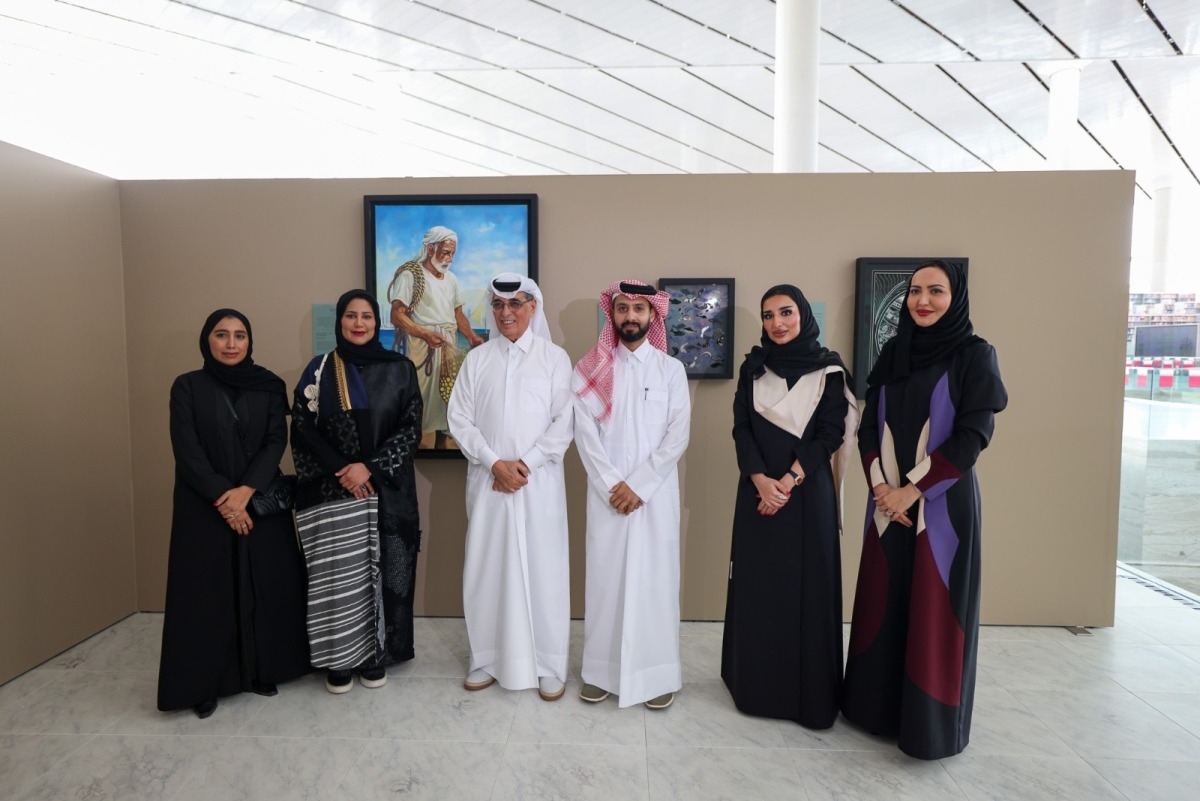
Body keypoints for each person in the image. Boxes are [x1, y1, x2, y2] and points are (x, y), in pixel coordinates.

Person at [841, 260, 1007, 760]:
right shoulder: (894, 351)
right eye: (915, 291)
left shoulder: (975, 355)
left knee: (934, 607)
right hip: (885, 505)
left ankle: (928, 728)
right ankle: (874, 712)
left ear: (956, 298)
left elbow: (973, 435)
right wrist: (881, 488)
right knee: (883, 601)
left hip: (941, 507)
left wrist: (911, 492)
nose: (922, 300)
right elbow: (868, 429)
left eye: (936, 291)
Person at [158, 309, 310, 718]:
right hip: (203, 505)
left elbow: (276, 440)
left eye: (239, 335)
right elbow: (187, 450)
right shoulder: (187, 386)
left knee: (264, 588)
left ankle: (264, 669)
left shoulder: (269, 385)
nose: (231, 343)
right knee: (208, 595)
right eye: (221, 334)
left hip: (257, 501)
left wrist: (245, 492)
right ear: (207, 340)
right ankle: (205, 684)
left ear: (249, 341)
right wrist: (224, 499)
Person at [720, 286, 858, 729]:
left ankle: (808, 697)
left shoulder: (829, 370)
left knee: (809, 590)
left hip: (807, 495)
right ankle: (756, 688)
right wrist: (761, 480)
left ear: (803, 316)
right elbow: (742, 429)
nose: (777, 323)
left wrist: (789, 480)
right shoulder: (753, 369)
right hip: (757, 493)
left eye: (786, 312)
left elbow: (830, 434)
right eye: (768, 315)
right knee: (760, 589)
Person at [447, 273, 573, 701]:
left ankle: (548, 664)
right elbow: (459, 419)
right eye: (499, 305)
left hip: (538, 484)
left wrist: (524, 465)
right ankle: (485, 658)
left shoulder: (555, 359)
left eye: (515, 304)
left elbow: (564, 422)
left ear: (533, 307)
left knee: (544, 570)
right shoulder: (477, 360)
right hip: (488, 483)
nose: (506, 313)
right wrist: (494, 463)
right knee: (487, 569)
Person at [291, 289, 423, 694]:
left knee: (389, 575)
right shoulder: (320, 370)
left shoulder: (401, 368)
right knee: (339, 578)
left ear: (377, 321)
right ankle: (339, 658)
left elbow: (410, 427)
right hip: (336, 493)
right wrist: (342, 470)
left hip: (388, 492)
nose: (359, 323)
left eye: (367, 316)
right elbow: (302, 427)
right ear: (340, 321)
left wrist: (370, 468)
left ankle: (377, 655)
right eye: (351, 316)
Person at [572, 279, 691, 710]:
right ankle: (600, 672)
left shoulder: (670, 370)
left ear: (652, 315)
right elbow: (584, 436)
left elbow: (677, 436)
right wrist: (613, 485)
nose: (630, 316)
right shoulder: (589, 370)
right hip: (608, 498)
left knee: (655, 584)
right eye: (623, 308)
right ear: (613, 314)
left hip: (654, 497)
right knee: (606, 582)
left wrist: (638, 486)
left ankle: (655, 675)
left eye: (639, 309)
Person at [387, 226, 485, 449]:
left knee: (448, 401)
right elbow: (397, 314)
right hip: (422, 347)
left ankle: (442, 449)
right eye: (446, 252)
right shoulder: (410, 275)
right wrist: (425, 334)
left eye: (453, 253)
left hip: (448, 346)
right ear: (430, 248)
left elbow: (457, 314)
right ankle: (421, 450)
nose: (450, 258)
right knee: (423, 402)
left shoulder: (452, 279)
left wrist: (471, 337)